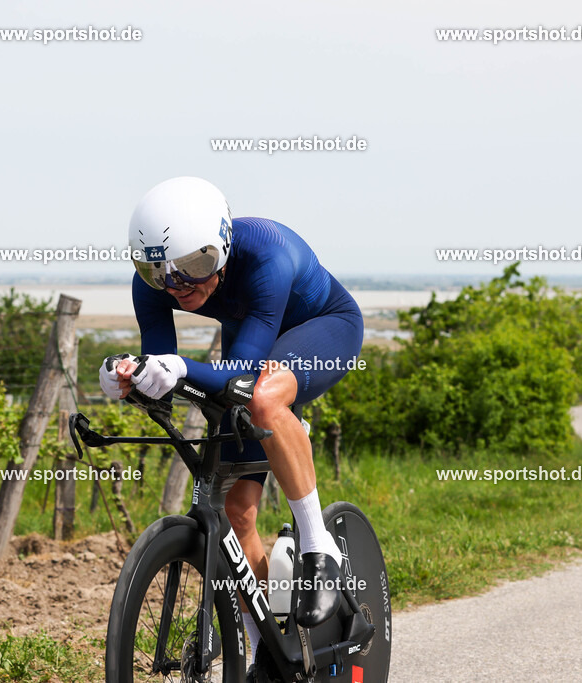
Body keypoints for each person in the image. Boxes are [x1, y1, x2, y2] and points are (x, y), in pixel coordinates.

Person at [98, 177, 364, 664]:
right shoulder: (157, 284)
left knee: (262, 400)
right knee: (238, 512)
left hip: (323, 328)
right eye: (159, 273)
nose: (177, 286)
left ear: (221, 246)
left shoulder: (267, 254)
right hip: (254, 338)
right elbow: (166, 368)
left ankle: (318, 544)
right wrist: (127, 376)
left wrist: (178, 368)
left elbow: (241, 372)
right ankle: (260, 645)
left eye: (194, 268)